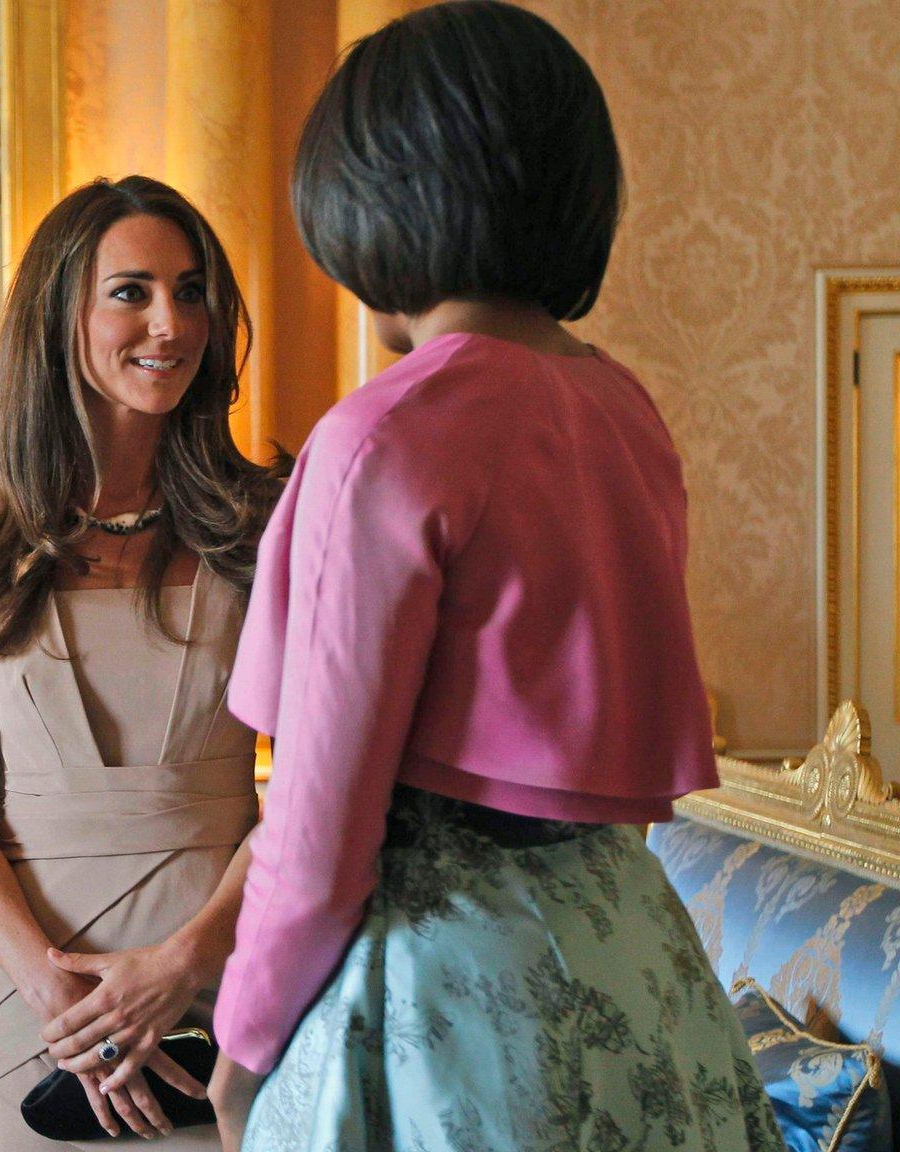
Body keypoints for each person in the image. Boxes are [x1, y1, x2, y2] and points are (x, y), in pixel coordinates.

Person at [203, 5, 785, 1150]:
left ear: (379, 194)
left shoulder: (387, 435)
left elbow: (319, 836)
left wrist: (239, 1052)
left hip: (447, 991)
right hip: (637, 964)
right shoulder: (624, 411)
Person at [0, 176, 287, 1147]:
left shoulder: (269, 526)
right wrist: (50, 991)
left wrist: (185, 962)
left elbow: (314, 786)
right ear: (60, 313)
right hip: (34, 994)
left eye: (192, 291)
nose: (168, 323)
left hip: (223, 978)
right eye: (130, 291)